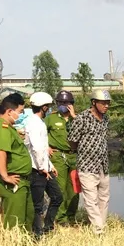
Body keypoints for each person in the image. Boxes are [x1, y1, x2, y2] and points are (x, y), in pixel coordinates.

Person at [68, 90, 111, 234]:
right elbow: (72, 140)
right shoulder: (82, 118)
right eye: (103, 103)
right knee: (90, 199)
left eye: (108, 103)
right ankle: (98, 230)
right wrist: (82, 150)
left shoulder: (105, 119)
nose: (106, 106)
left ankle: (102, 224)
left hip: (103, 164)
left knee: (104, 197)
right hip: (87, 165)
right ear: (94, 102)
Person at [24, 92, 63, 238]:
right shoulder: (34, 123)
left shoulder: (38, 123)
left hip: (43, 167)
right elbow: (36, 148)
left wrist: (50, 165)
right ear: (44, 107)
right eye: (49, 107)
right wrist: (42, 168)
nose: (50, 109)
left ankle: (47, 226)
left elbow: (43, 148)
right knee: (38, 204)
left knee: (57, 197)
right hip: (37, 170)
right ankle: (37, 234)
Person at [0, 96, 34, 229]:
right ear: (10, 111)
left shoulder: (10, 128)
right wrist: (5, 176)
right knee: (15, 221)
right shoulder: (3, 128)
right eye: (20, 112)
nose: (21, 115)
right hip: (13, 180)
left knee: (27, 217)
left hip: (22, 180)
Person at [46, 90, 79, 224]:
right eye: (60, 102)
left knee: (74, 190)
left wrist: (74, 116)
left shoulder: (77, 118)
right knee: (61, 188)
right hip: (58, 156)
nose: (62, 105)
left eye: (65, 102)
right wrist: (45, 147)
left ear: (71, 104)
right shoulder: (51, 118)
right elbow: (40, 134)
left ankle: (71, 217)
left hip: (74, 156)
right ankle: (60, 218)